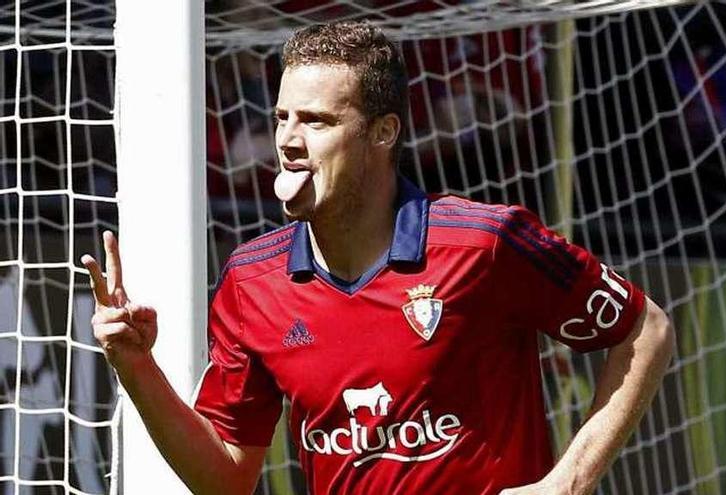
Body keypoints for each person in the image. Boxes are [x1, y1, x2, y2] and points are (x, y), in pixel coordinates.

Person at [81, 21, 674, 495]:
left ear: (383, 133)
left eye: (316, 121)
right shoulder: (251, 281)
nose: (288, 140)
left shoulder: (484, 243)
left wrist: (568, 482)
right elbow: (226, 477)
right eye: (283, 116)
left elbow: (645, 330)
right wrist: (136, 368)